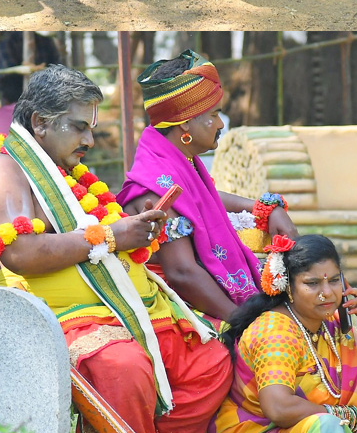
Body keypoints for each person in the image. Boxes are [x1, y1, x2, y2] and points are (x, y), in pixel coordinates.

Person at [0, 64, 232, 433]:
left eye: (91, 128)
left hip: (119, 308)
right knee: (124, 368)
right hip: (56, 319)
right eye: (78, 127)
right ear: (40, 123)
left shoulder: (66, 174)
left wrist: (137, 232)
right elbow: (19, 254)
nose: (90, 141)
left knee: (211, 361)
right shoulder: (3, 173)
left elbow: (101, 236)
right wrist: (113, 236)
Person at [118, 50, 298, 325]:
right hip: (175, 305)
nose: (221, 124)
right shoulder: (157, 187)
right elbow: (182, 273)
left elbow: (205, 199)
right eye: (213, 115)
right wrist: (244, 323)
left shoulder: (175, 160)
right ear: (185, 123)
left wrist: (264, 208)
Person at [216, 234, 357, 432]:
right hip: (266, 428)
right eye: (312, 283)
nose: (327, 293)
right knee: (330, 427)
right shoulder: (275, 333)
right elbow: (279, 408)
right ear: (288, 286)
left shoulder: (331, 322)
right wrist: (348, 417)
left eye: (333, 280)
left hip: (325, 422)